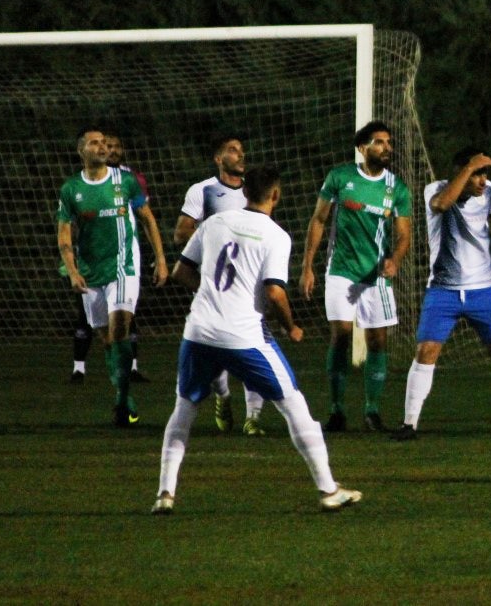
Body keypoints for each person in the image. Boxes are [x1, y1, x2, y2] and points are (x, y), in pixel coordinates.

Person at [152, 166, 361, 515]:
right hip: (244, 336)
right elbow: (275, 293)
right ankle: (328, 489)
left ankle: (165, 493)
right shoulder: (276, 236)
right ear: (276, 195)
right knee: (294, 405)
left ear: (244, 192)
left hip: (200, 331)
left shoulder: (214, 223)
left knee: (184, 408)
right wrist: (291, 327)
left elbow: (180, 271)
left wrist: (211, 293)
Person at [390, 148, 491, 441]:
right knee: (425, 353)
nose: (483, 180)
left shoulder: (488, 191)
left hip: (484, 290)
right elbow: (441, 205)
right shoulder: (436, 190)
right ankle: (409, 425)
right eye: (477, 174)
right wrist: (469, 167)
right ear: (461, 172)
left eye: (485, 174)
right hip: (443, 291)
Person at [300, 121, 413, 433]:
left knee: (378, 341)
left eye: (389, 142)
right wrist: (307, 266)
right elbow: (319, 219)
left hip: (376, 275)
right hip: (341, 270)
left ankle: (372, 410)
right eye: (379, 142)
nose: (387, 148)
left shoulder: (397, 188)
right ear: (363, 148)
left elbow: (404, 235)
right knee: (341, 335)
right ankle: (337, 410)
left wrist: (395, 260)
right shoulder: (340, 177)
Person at [56, 126, 168, 427]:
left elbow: (148, 219)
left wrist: (160, 259)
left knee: (119, 329)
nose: (102, 147)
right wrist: (73, 271)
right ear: (81, 150)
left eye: (104, 142)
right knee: (107, 338)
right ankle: (123, 393)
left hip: (123, 266)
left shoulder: (125, 181)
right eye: (95, 143)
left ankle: (121, 401)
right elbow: (64, 235)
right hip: (91, 271)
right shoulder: (71, 189)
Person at [173, 134, 269, 437]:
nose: (241, 155)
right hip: (213, 285)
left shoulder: (255, 191)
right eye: (232, 150)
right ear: (218, 159)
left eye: (242, 150)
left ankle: (253, 417)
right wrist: (216, 232)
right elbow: (181, 233)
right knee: (213, 350)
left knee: (256, 345)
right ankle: (223, 396)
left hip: (248, 285)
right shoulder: (203, 191)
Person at [67, 131, 152, 383]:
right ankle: (82, 368)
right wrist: (70, 264)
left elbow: (145, 216)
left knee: (123, 321)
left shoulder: (130, 179)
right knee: (96, 326)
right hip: (92, 264)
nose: (109, 149)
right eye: (103, 144)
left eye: (113, 145)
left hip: (124, 261)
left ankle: (128, 376)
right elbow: (69, 228)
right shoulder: (76, 186)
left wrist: (157, 257)